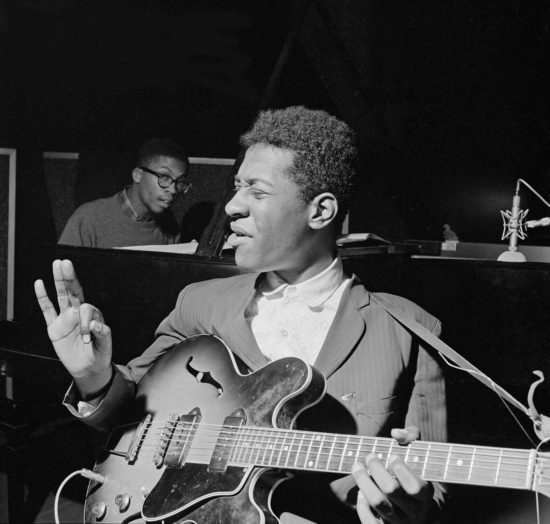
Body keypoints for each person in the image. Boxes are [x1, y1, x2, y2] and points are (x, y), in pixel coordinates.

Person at [35, 106, 447, 524]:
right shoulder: (199, 302)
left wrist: (412, 508)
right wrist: (92, 375)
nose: (232, 206)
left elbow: (438, 486)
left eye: (257, 191)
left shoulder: (409, 329)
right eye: (236, 187)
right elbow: (129, 418)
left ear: (320, 212)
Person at [58, 137, 191, 248]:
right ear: (138, 175)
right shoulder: (89, 218)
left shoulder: (170, 225)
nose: (173, 190)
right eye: (164, 177)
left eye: (180, 182)